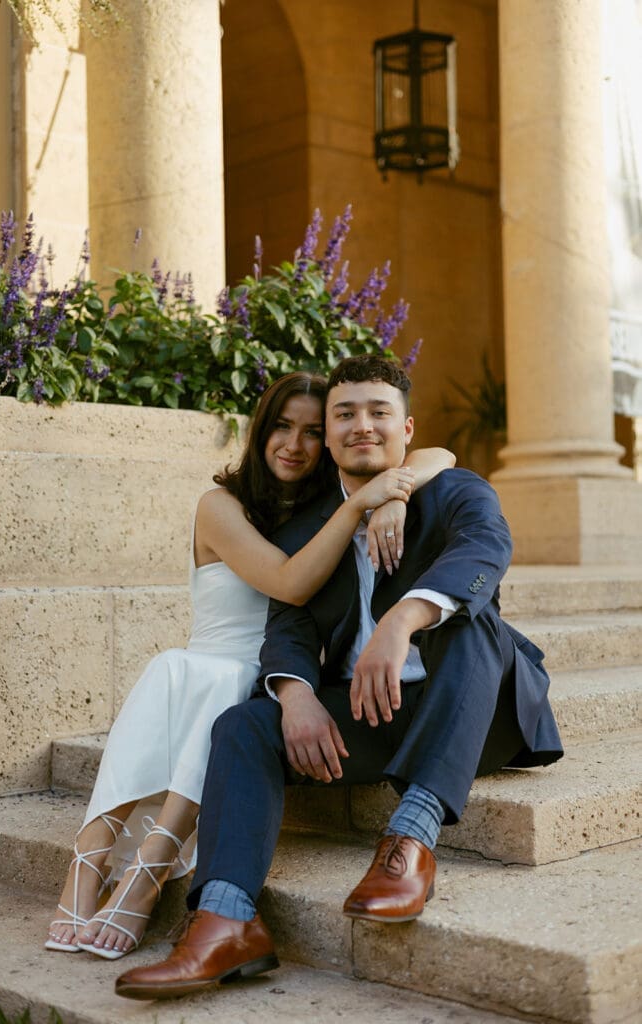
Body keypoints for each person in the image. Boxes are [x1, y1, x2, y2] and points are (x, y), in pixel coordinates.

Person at [114, 354, 564, 1001]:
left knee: (473, 624)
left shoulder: (454, 491)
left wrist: (401, 621)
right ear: (327, 437)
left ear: (407, 429)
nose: (361, 426)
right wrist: (294, 693)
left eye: (378, 412)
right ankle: (223, 920)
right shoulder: (311, 528)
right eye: (344, 414)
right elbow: (288, 625)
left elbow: (483, 554)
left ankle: (409, 839)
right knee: (242, 722)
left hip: (471, 708)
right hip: (372, 713)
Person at [45, 369, 455, 960]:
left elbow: (441, 452)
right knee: (194, 675)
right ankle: (83, 871)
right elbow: (289, 584)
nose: (294, 444)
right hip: (212, 661)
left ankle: (148, 871)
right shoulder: (220, 505)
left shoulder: (323, 508)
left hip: (266, 671)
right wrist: (369, 499)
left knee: (237, 691)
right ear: (260, 433)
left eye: (313, 431)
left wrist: (395, 491)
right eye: (281, 428)